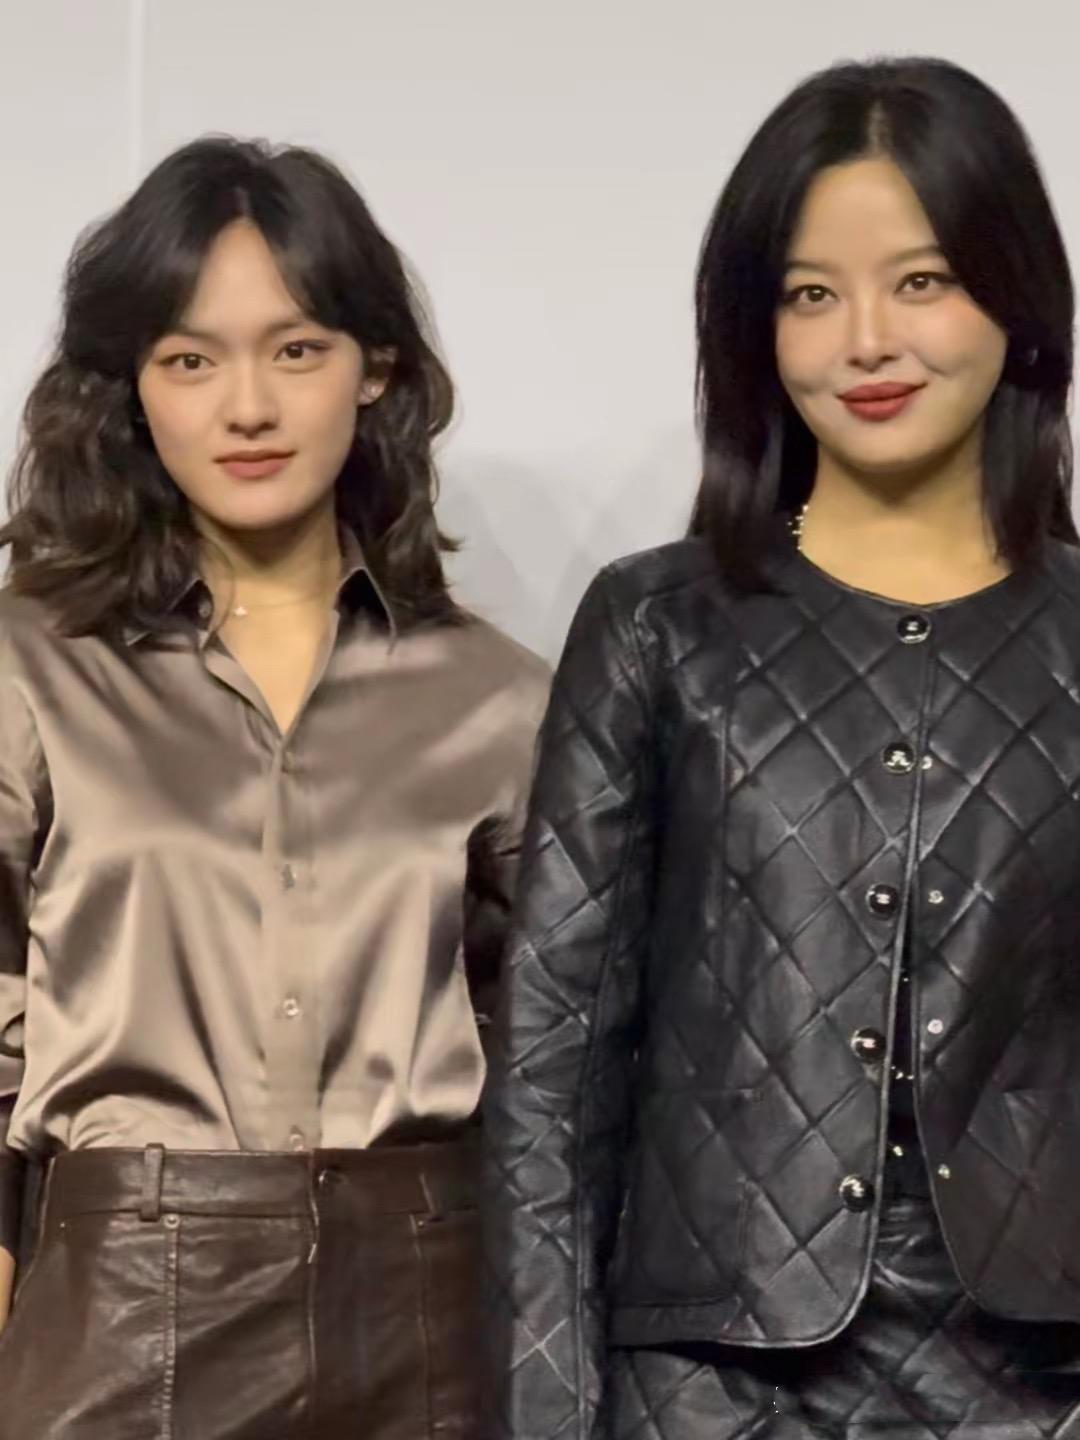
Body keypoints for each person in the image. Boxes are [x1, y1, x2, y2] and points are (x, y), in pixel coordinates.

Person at [485, 57, 1080, 1439]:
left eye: (922, 281)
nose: (866, 340)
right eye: (811, 295)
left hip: (1039, 1385)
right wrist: (544, 1413)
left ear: (1019, 302)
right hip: (709, 1384)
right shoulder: (657, 625)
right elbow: (552, 1079)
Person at [0, 136, 548, 1439]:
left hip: (425, 1297)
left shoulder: (500, 698)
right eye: (191, 360)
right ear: (133, 391)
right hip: (121, 1297)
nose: (247, 407)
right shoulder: (31, 668)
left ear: (378, 369)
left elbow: (554, 1044)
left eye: (296, 349)